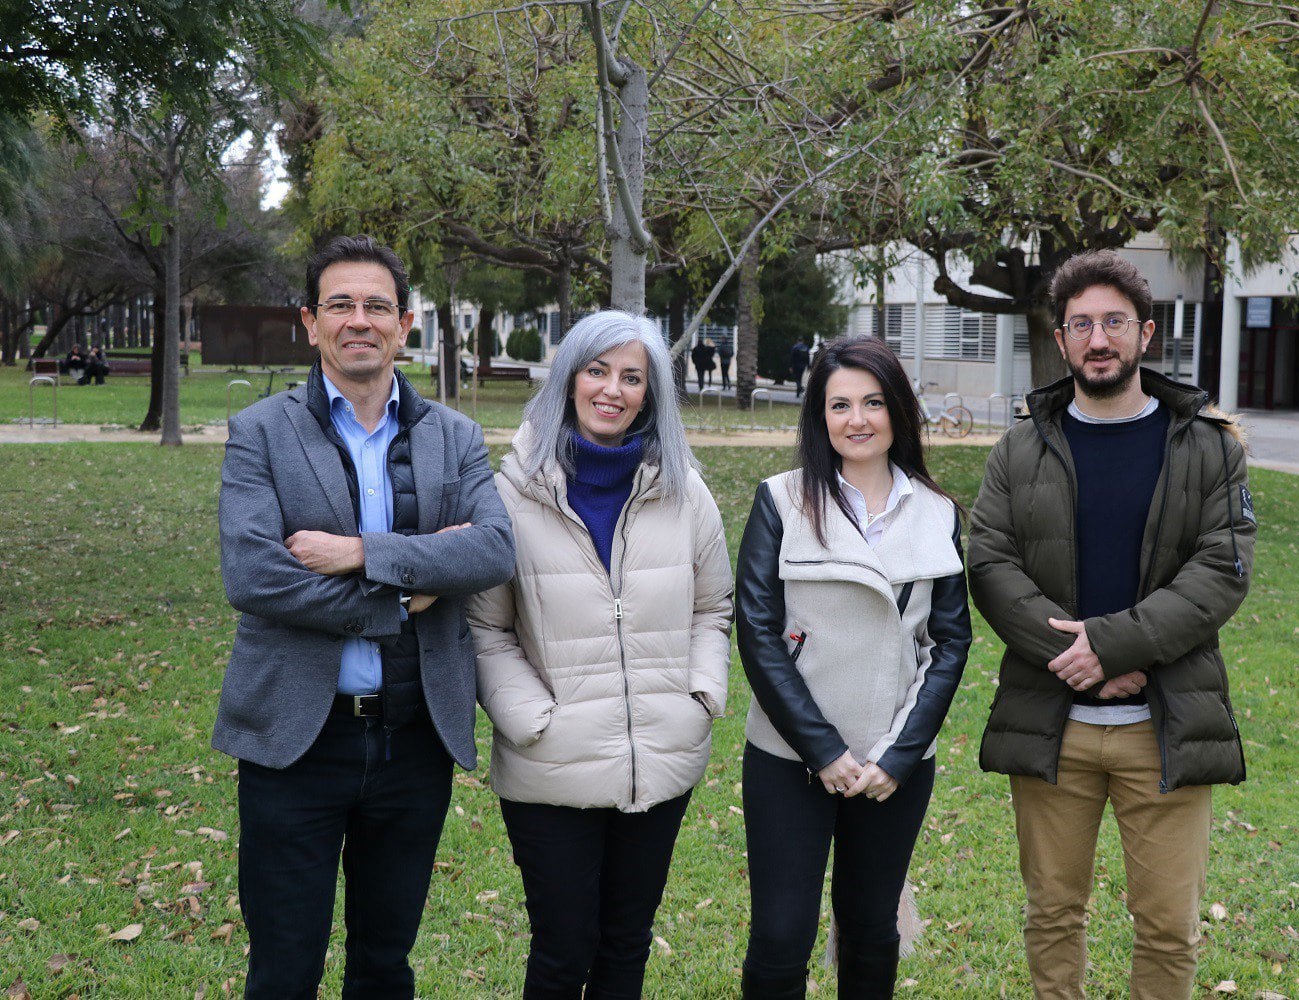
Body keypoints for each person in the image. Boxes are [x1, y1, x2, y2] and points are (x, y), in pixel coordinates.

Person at [214, 234, 515, 998]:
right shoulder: (261, 432)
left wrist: (358, 554)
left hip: (413, 739)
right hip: (296, 744)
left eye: (377, 306)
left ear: (404, 323)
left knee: (385, 965)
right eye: (340, 304)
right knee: (284, 968)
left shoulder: (454, 436)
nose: (360, 320)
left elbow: (492, 551)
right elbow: (257, 578)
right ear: (309, 322)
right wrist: (407, 592)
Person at [968, 250, 1257, 1000]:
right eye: (1082, 325)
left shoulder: (1208, 446)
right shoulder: (1021, 445)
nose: (1099, 340)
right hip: (1052, 719)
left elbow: (1221, 570)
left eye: (1115, 323)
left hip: (1163, 722)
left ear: (1147, 335)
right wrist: (1081, 656)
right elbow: (990, 565)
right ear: (1061, 340)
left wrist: (1114, 645)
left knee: (1167, 926)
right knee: (1054, 915)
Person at [467, 311, 733, 1000]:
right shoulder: (510, 494)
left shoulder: (685, 492)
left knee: (625, 943)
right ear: (569, 379)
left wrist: (699, 694)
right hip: (551, 762)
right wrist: (533, 719)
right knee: (562, 950)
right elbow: (485, 629)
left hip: (660, 757)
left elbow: (714, 608)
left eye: (632, 377)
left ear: (652, 393)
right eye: (597, 370)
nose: (612, 390)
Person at [735, 335, 971, 1000]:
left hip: (891, 767)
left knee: (870, 929)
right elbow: (756, 629)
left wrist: (897, 756)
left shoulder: (937, 512)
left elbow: (950, 642)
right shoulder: (781, 500)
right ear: (820, 416)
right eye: (839, 405)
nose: (857, 419)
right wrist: (824, 750)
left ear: (897, 409)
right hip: (789, 758)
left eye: (873, 401)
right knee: (781, 934)